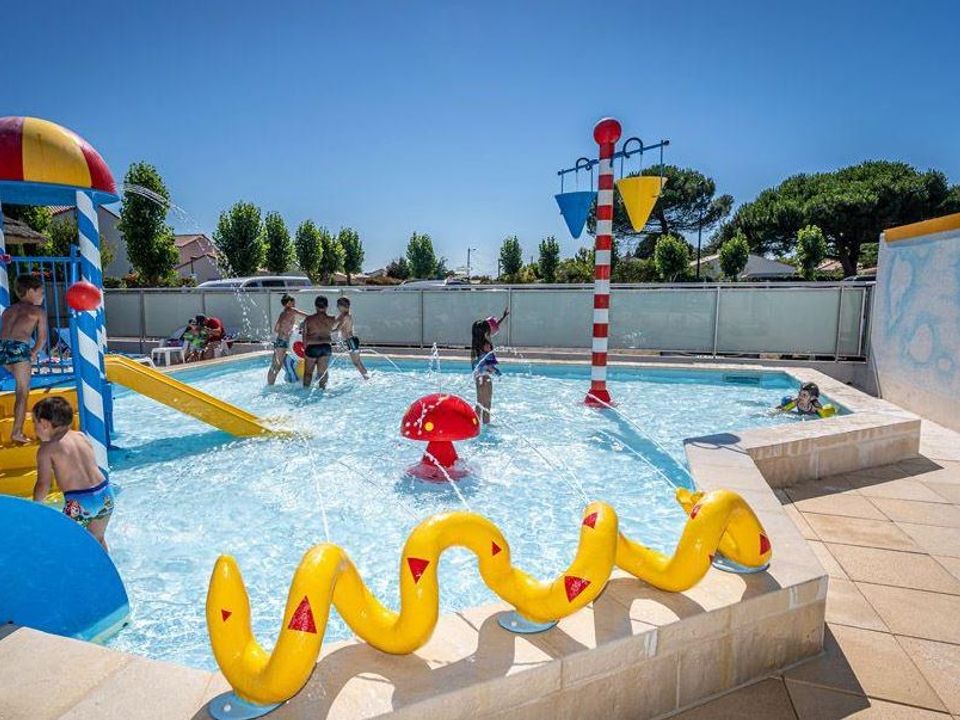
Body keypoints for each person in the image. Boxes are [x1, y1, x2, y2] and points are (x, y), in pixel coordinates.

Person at [32, 396, 115, 550]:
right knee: (97, 539)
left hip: (79, 502)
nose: (34, 429)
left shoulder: (46, 449)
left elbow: (44, 484)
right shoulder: (81, 436)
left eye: (34, 423)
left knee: (66, 545)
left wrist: (36, 507)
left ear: (44, 424)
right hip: (105, 494)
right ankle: (105, 571)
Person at [0, 274, 47, 443]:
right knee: (22, 392)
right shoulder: (37, 312)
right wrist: (33, 353)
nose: (42, 296)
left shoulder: (8, 310)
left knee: (19, 380)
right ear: (30, 291)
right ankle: (17, 432)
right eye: (41, 292)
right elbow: (42, 339)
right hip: (20, 348)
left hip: (2, 348)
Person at [470, 308, 509, 424]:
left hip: (478, 376)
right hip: (485, 375)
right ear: (486, 332)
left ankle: (475, 424)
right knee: (487, 403)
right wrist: (497, 372)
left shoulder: (476, 345)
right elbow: (486, 364)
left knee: (479, 402)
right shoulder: (487, 345)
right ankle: (486, 423)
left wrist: (503, 318)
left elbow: (494, 327)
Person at [267, 294, 308, 385]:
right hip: (283, 342)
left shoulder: (282, 313)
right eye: (293, 302)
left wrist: (288, 330)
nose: (295, 304)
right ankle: (269, 386)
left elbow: (276, 329)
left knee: (275, 365)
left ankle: (269, 385)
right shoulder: (292, 310)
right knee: (276, 367)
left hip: (279, 341)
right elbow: (306, 316)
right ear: (289, 303)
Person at [302, 296, 337, 388]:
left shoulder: (309, 319)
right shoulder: (332, 319)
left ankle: (305, 391)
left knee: (308, 373)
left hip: (312, 347)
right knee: (323, 373)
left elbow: (304, 335)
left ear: (315, 306)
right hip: (326, 347)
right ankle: (322, 390)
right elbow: (337, 330)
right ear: (326, 306)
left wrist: (305, 349)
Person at [334, 297, 369, 380]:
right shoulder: (344, 315)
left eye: (338, 305)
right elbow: (334, 322)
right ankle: (366, 377)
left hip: (351, 341)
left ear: (343, 306)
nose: (337, 307)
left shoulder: (346, 316)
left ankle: (367, 378)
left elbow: (338, 328)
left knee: (357, 363)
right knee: (357, 362)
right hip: (350, 341)